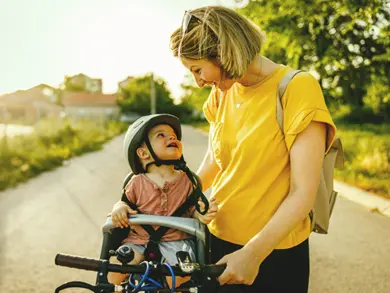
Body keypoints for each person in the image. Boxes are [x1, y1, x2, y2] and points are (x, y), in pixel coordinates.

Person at [168, 6, 337, 293]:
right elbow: (216, 159)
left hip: (273, 253)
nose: (198, 82)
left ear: (223, 52)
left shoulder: (296, 88)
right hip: (215, 240)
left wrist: (253, 254)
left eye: (198, 70)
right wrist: (174, 200)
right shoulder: (221, 93)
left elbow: (303, 192)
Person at [108, 114, 218, 287]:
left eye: (173, 135)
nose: (172, 137)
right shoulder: (136, 182)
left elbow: (192, 211)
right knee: (113, 272)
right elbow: (124, 202)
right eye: (161, 135)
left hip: (177, 242)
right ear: (143, 153)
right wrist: (119, 208)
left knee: (182, 277)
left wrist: (201, 214)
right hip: (139, 241)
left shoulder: (189, 181)